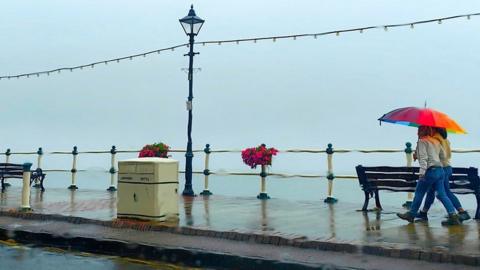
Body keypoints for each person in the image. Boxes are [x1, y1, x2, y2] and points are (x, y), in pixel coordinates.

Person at [397, 126, 460, 225]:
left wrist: (422, 174)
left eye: (418, 130)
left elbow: (423, 160)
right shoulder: (436, 141)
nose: (417, 133)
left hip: (430, 171)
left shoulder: (422, 141)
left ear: (422, 131)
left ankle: (411, 214)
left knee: (419, 193)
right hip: (440, 171)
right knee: (442, 195)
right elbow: (442, 156)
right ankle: (453, 215)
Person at [416, 127, 471, 222]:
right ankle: (423, 213)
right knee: (431, 192)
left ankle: (461, 213)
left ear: (434, 129)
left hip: (441, 168)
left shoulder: (435, 139)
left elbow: (433, 155)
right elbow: (447, 155)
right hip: (446, 166)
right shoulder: (445, 139)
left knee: (444, 193)